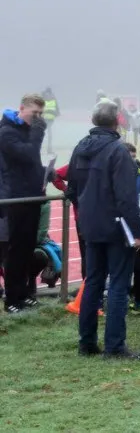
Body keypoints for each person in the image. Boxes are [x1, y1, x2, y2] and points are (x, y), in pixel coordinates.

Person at [67, 101, 140, 359]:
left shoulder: (80, 147)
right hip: (115, 226)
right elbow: (126, 196)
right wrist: (138, 232)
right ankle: (114, 346)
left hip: (89, 225)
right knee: (118, 286)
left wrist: (86, 214)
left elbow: (71, 189)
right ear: (118, 120)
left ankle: (87, 342)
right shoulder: (118, 151)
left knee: (93, 282)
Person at [0, 94, 49, 313]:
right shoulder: (7, 132)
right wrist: (38, 131)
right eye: (34, 113)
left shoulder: (26, 131)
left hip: (31, 195)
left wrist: (47, 173)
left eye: (41, 114)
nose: (38, 118)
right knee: (16, 249)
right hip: (17, 197)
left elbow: (32, 163)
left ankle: (23, 293)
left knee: (28, 247)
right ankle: (11, 299)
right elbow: (28, 154)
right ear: (21, 109)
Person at [42, 87, 59, 153]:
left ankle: (39, 148)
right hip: (51, 118)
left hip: (43, 118)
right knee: (49, 135)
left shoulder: (42, 98)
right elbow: (56, 109)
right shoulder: (53, 98)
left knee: (42, 134)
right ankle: (49, 149)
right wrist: (56, 114)